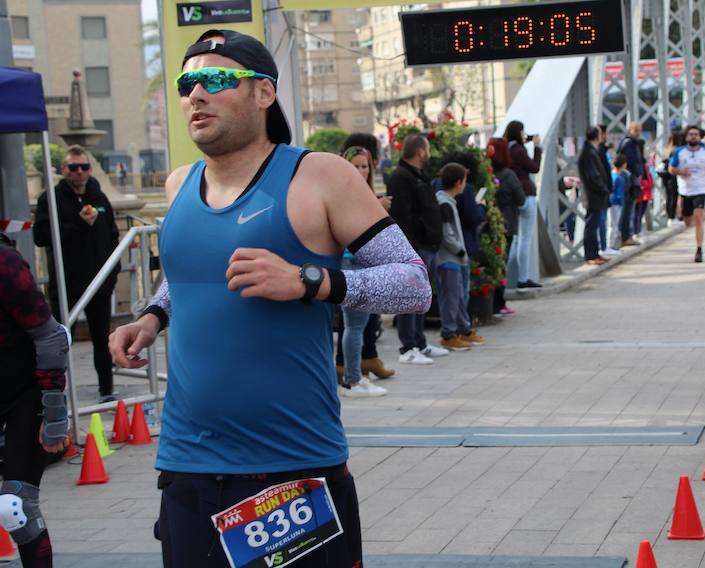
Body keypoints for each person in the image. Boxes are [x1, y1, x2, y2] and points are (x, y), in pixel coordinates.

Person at [107, 29, 431, 567]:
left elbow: (414, 283)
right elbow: (191, 271)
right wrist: (152, 316)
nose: (196, 94)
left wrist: (314, 282)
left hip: (291, 468)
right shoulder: (179, 183)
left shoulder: (319, 175)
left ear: (263, 93)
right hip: (188, 462)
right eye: (188, 82)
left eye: (215, 79)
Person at [0, 230, 70, 568]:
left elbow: (50, 335)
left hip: (22, 393)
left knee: (16, 507)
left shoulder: (5, 263)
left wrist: (54, 413)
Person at [34, 145, 120, 403]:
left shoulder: (99, 197)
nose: (79, 172)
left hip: (98, 283)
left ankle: (107, 390)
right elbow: (41, 236)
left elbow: (113, 236)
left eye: (84, 167)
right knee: (58, 341)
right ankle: (56, 396)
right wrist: (78, 225)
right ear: (63, 170)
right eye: (73, 167)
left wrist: (112, 273)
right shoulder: (50, 198)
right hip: (66, 282)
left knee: (102, 339)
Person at [333, 136, 394, 382]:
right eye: (355, 165)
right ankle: (354, 379)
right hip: (351, 263)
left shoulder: (363, 193)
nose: (360, 170)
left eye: (364, 166)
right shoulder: (343, 194)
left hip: (364, 263)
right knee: (354, 326)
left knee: (357, 326)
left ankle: (354, 376)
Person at [387, 134, 448, 365]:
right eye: (428, 149)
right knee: (409, 296)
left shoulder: (417, 176)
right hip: (415, 248)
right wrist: (409, 249)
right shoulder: (401, 178)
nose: (429, 153)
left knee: (421, 297)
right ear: (421, 152)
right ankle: (408, 346)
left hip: (427, 246)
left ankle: (420, 343)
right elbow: (403, 216)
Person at [434, 163, 476, 351]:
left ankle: (458, 329)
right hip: (449, 259)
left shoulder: (447, 202)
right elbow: (446, 234)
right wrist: (460, 250)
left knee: (456, 296)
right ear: (459, 182)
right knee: (451, 297)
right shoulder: (444, 204)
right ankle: (449, 333)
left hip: (451, 259)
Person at [668, 125, 705, 262]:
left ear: (699, 137)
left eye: (696, 134)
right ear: (686, 137)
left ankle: (699, 249)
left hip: (701, 189)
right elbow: (671, 169)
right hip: (685, 190)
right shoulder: (679, 152)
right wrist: (681, 172)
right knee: (688, 220)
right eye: (691, 134)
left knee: (699, 218)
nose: (694, 136)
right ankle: (684, 215)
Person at [503, 120, 542, 288]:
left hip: (513, 196)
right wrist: (537, 148)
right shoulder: (519, 150)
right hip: (526, 193)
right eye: (523, 132)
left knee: (515, 238)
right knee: (525, 238)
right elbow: (534, 167)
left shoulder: (506, 149)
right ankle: (523, 278)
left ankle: (504, 276)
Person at [488, 137, 525, 317]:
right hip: (507, 224)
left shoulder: (485, 173)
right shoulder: (509, 175)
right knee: (501, 264)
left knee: (490, 262)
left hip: (488, 224)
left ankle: (491, 302)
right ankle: (499, 303)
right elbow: (521, 199)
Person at [578, 126, 611, 266]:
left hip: (596, 194)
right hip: (594, 194)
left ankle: (595, 253)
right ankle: (590, 255)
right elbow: (593, 176)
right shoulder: (589, 152)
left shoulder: (591, 150)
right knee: (591, 225)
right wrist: (604, 189)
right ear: (597, 136)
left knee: (594, 224)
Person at [617, 122, 645, 246]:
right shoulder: (629, 144)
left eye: (640, 130)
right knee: (628, 208)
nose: (639, 133)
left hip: (631, 178)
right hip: (629, 179)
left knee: (629, 208)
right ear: (630, 131)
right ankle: (625, 236)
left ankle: (626, 234)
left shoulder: (631, 143)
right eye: (636, 130)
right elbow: (630, 161)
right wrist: (638, 172)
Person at [659, 131, 684, 223]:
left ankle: (670, 217)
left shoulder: (666, 150)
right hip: (673, 176)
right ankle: (672, 217)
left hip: (666, 177)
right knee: (674, 197)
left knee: (669, 196)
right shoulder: (676, 150)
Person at [608, 154, 629, 250]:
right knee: (614, 225)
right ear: (624, 164)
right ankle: (611, 245)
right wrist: (622, 203)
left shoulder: (610, 175)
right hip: (616, 204)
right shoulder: (620, 178)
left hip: (609, 202)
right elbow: (621, 194)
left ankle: (609, 244)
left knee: (610, 224)